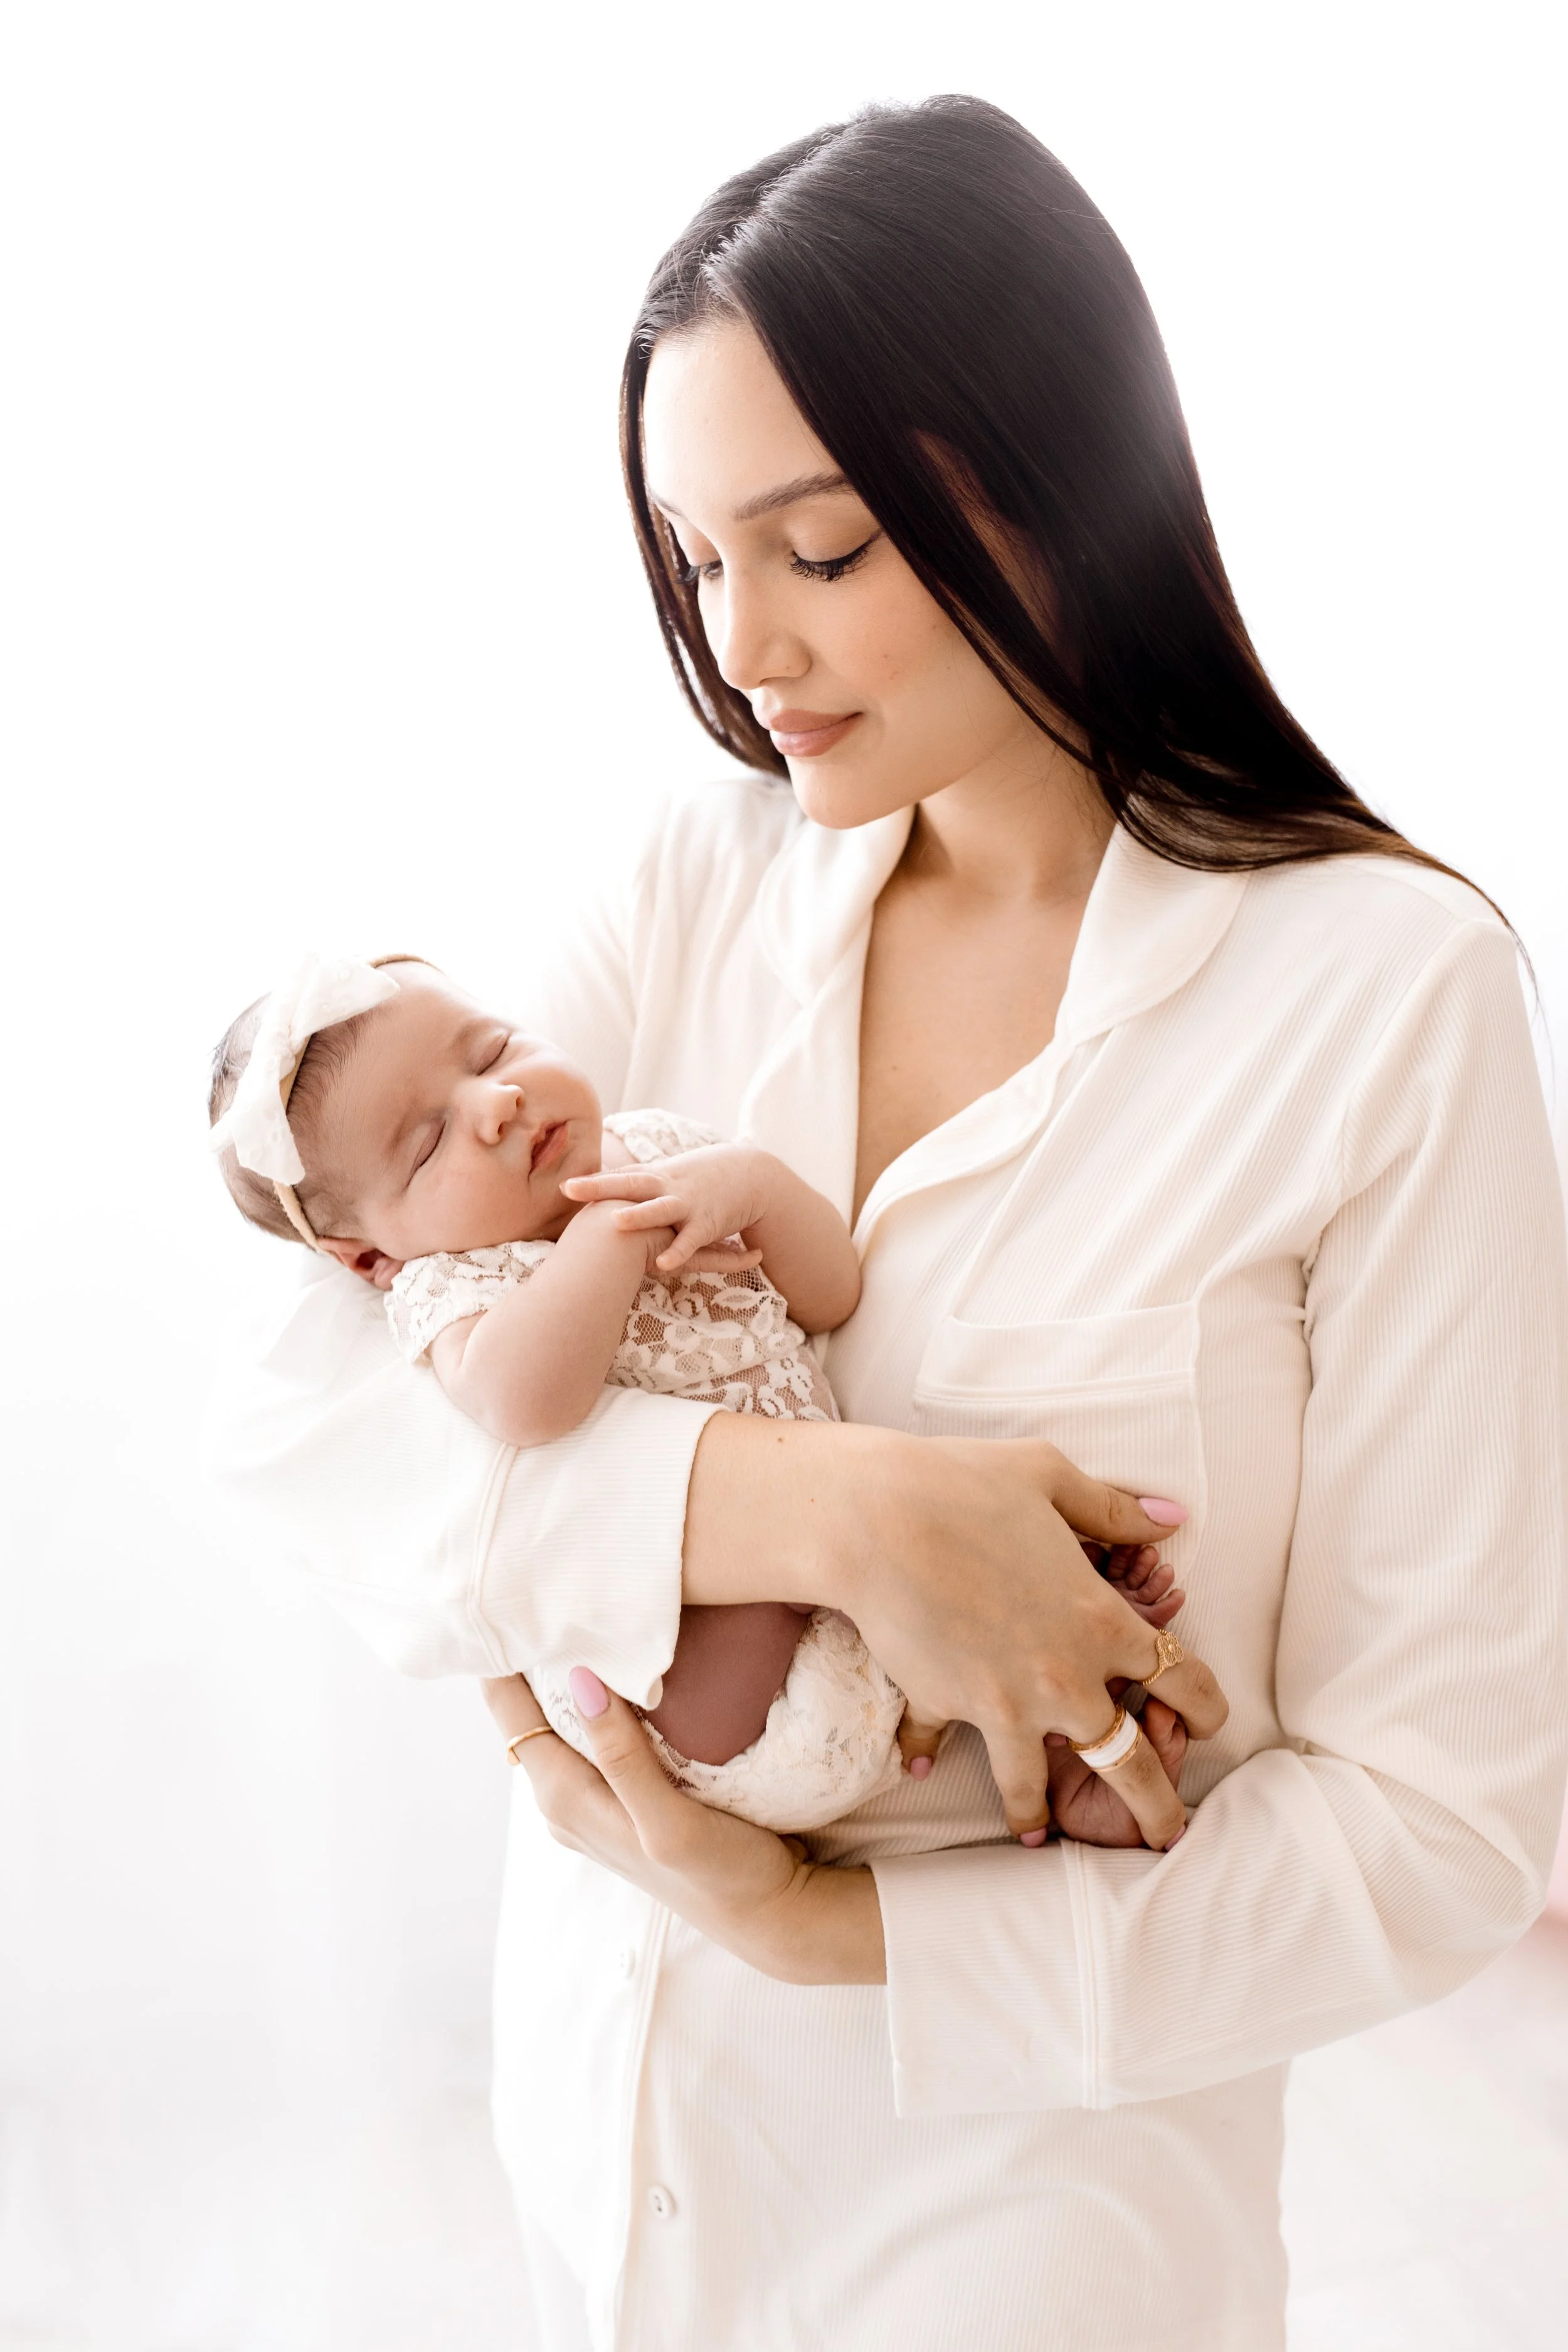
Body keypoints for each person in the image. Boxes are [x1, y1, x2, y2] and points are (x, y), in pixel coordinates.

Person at [211, 96, 1568, 2351]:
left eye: (817, 548)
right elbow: (316, 1427)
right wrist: (832, 1513)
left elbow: (1447, 1831)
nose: (743, 643)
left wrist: (840, 1934)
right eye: (695, 558)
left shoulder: (1387, 997)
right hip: (610, 2143)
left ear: (1057, 477)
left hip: (1030, 2221)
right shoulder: (698, 876)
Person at [204, 948, 1207, 1836]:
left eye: (493, 1049)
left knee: (981, 1577)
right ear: (370, 1256)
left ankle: (1080, 1747)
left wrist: (758, 1186)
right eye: (427, 1144)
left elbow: (831, 1291)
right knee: (817, 1562)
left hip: (869, 1620)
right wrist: (605, 1239)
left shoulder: (662, 1150)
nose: (497, 1103)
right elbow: (525, 1405)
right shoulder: (451, 1285)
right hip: (717, 1701)